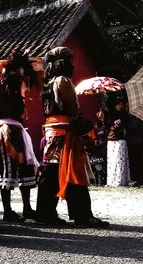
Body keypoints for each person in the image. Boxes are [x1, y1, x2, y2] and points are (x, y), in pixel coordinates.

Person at [36, 47, 109, 228]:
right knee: (74, 171)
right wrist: (84, 128)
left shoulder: (48, 82)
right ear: (64, 62)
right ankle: (82, 214)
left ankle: (45, 212)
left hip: (52, 131)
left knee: (51, 173)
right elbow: (71, 109)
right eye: (70, 61)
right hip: (65, 131)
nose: (73, 65)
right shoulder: (63, 81)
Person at [0, 51, 40, 222]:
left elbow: (19, 112)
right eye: (18, 72)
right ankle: (7, 211)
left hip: (17, 129)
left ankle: (27, 208)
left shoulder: (14, 89)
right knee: (7, 169)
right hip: (3, 130)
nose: (21, 77)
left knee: (25, 168)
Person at [105, 97, 130, 186]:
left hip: (121, 140)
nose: (120, 106)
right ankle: (111, 180)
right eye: (118, 104)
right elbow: (108, 126)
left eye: (121, 104)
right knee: (112, 161)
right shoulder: (109, 115)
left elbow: (122, 126)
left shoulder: (125, 116)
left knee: (120, 161)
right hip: (111, 140)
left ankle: (121, 181)